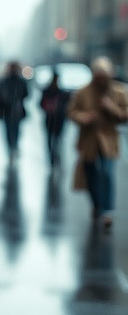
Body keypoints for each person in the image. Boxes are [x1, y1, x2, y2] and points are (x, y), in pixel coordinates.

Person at [68, 57, 128, 229]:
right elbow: (72, 112)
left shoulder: (118, 92)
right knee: (91, 174)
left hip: (109, 139)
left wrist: (110, 107)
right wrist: (84, 118)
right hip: (88, 140)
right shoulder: (83, 92)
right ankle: (97, 204)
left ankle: (107, 210)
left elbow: (124, 115)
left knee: (107, 174)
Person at [0, 61, 29, 163]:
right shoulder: (7, 81)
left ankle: (13, 147)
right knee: (10, 131)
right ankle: (12, 148)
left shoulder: (19, 81)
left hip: (16, 110)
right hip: (8, 110)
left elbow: (25, 93)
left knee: (14, 130)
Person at [39, 71, 71, 169]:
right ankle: (52, 158)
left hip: (58, 120)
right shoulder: (47, 91)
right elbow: (41, 104)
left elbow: (68, 105)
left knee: (57, 140)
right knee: (50, 140)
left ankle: (55, 156)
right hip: (50, 119)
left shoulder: (62, 93)